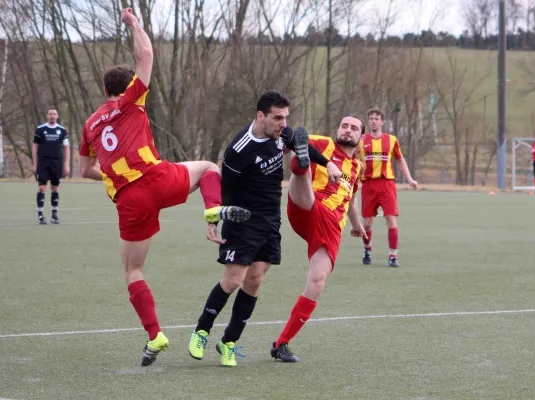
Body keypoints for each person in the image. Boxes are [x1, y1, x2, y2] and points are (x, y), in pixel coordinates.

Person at [78, 8, 250, 367]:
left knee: (133, 272)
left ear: (103, 90)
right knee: (205, 167)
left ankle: (155, 335)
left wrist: (114, 179)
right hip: (160, 179)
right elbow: (145, 55)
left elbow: (86, 170)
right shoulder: (131, 101)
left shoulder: (90, 124)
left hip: (129, 200)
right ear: (125, 89)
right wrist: (134, 24)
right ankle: (211, 209)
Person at [188, 91, 342, 367]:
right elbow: (226, 189)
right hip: (243, 219)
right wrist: (214, 220)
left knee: (255, 280)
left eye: (286, 117)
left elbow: (299, 142)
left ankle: (229, 342)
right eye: (277, 118)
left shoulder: (281, 134)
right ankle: (201, 331)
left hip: (271, 220)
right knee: (233, 280)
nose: (284, 124)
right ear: (260, 116)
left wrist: (328, 163)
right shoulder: (238, 150)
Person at [270, 117, 367, 363]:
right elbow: (289, 133)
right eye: (344, 125)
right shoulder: (324, 144)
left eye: (354, 128)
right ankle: (301, 164)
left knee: (316, 282)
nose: (347, 130)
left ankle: (281, 344)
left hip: (332, 227)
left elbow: (351, 200)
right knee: (302, 169)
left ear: (360, 137)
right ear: (337, 130)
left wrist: (357, 226)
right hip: (308, 206)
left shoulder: (357, 168)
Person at [358, 108, 417, 267]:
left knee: (391, 220)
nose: (373, 121)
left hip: (386, 185)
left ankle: (392, 256)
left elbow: (400, 160)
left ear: (382, 121)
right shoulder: (361, 140)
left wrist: (409, 179)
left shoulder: (391, 140)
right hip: (368, 185)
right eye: (371, 118)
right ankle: (367, 249)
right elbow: (350, 158)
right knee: (367, 224)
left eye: (376, 118)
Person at [33, 109, 70, 225]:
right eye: (50, 114)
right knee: (42, 188)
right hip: (43, 162)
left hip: (57, 162)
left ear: (57, 116)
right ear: (47, 116)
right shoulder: (40, 129)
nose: (52, 116)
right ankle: (40, 216)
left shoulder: (62, 130)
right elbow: (35, 146)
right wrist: (35, 163)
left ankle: (54, 216)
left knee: (55, 188)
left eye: (54, 114)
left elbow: (66, 148)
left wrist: (67, 164)